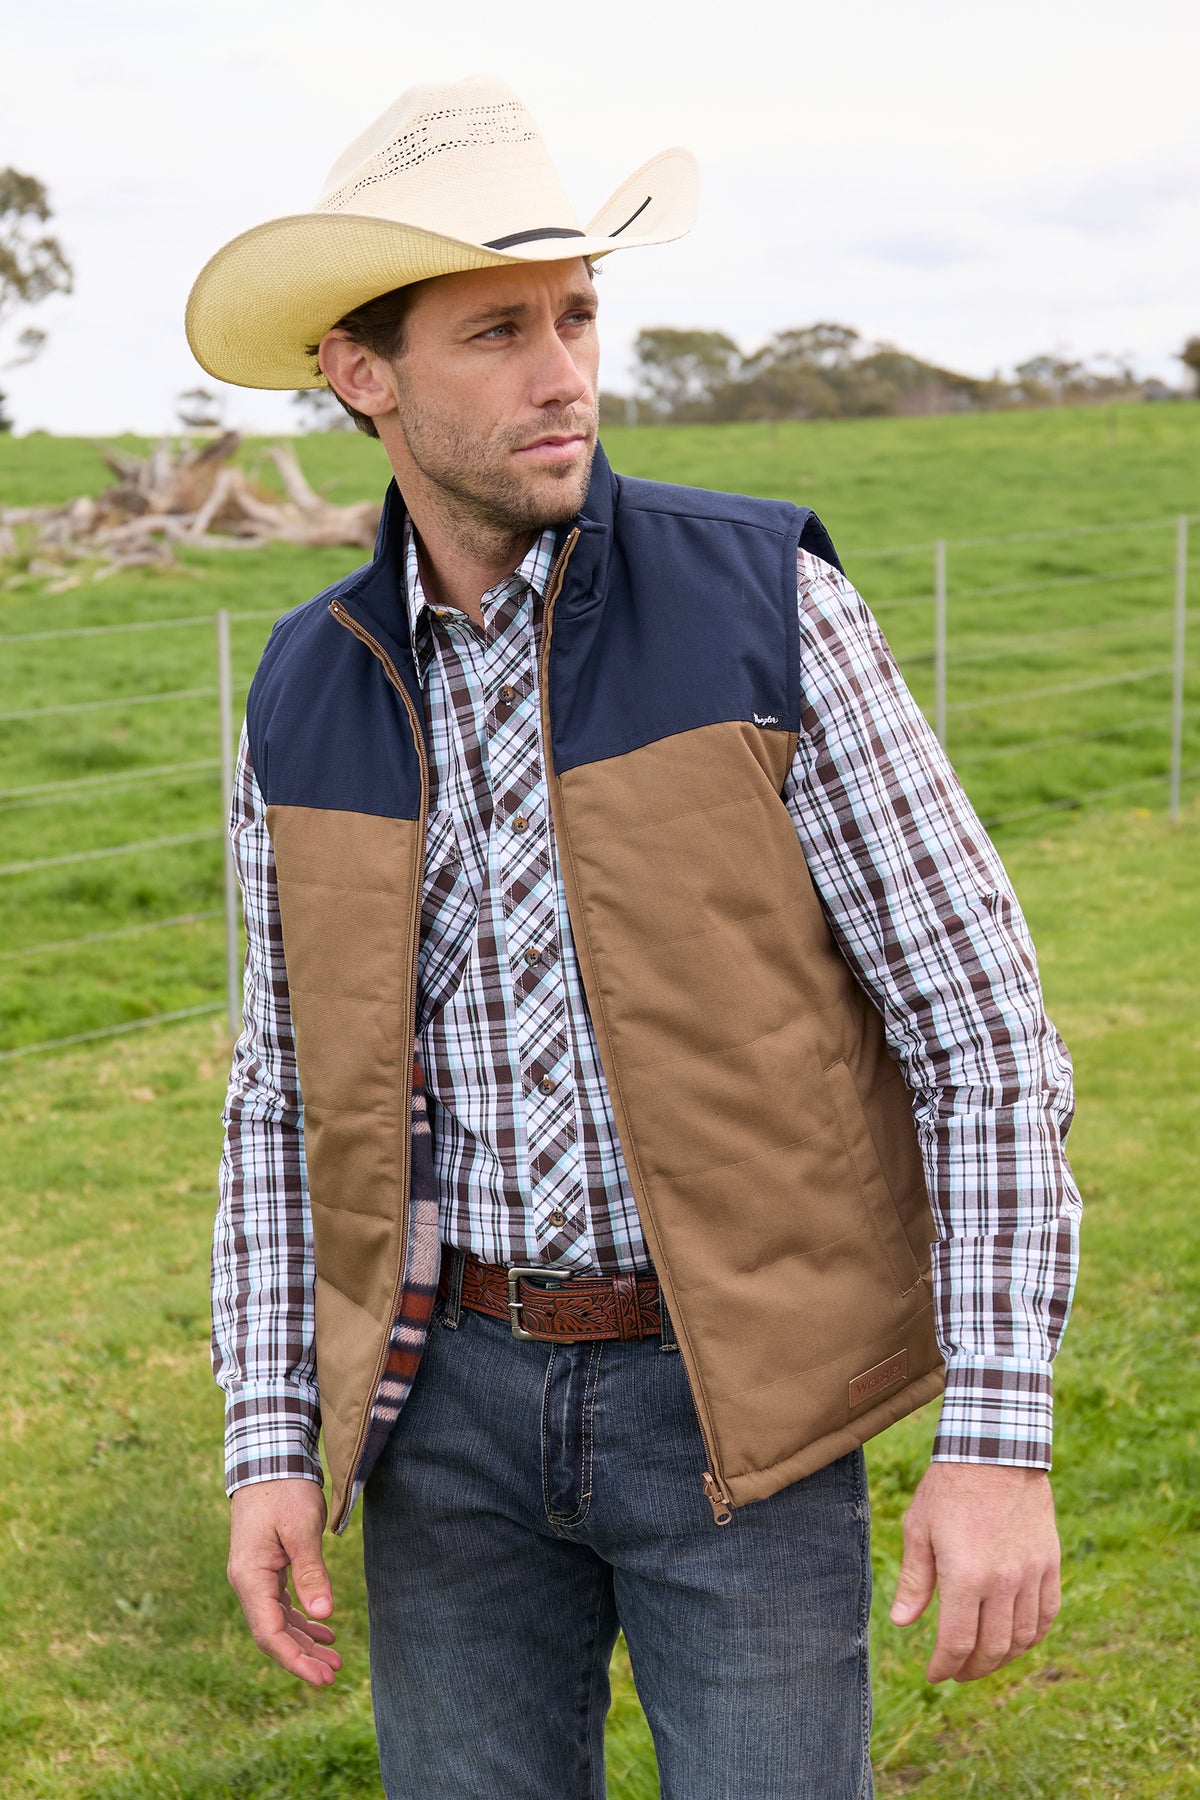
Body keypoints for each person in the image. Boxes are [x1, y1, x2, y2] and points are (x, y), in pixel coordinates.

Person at [189, 76, 1081, 1800]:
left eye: (579, 314)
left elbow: (983, 1034)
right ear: (361, 375)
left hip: (733, 1408)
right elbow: (275, 1095)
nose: (564, 371)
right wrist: (267, 1445)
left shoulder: (770, 607)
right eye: (496, 329)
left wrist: (995, 1442)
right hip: (435, 1419)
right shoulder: (303, 688)